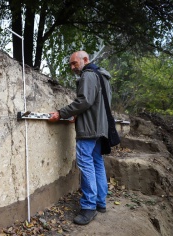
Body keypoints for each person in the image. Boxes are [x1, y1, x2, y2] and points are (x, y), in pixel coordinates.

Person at [48, 51, 112, 225]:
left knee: (85, 162)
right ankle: (100, 202)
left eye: (74, 63)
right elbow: (96, 103)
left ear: (85, 60)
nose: (72, 67)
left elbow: (84, 101)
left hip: (89, 129)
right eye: (70, 64)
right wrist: (79, 115)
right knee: (97, 162)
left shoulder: (88, 75)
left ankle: (89, 207)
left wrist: (62, 113)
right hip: (100, 128)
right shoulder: (103, 76)